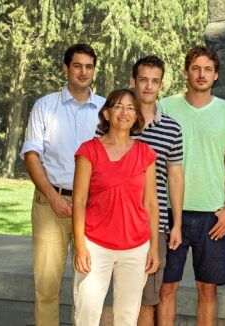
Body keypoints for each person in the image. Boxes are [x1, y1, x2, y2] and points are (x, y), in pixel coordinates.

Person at [20, 43, 105, 326]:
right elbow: (31, 156)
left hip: (93, 208)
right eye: (77, 66)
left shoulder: (106, 109)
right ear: (66, 68)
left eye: (89, 66)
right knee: (47, 286)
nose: (83, 72)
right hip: (50, 204)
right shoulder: (45, 106)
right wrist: (53, 198)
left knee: (89, 289)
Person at [157, 45, 225, 326]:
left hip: (212, 215)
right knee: (166, 288)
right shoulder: (165, 107)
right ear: (185, 72)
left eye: (207, 69)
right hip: (171, 212)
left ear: (216, 75)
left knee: (208, 290)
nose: (201, 74)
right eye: (196, 68)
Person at [72, 89, 159, 325]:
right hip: (95, 245)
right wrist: (80, 246)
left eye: (131, 108)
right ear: (107, 113)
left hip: (136, 247)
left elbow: (151, 203)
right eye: (119, 106)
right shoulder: (88, 151)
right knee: (87, 313)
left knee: (127, 316)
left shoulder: (146, 154)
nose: (124, 112)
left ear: (137, 117)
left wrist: (153, 247)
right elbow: (79, 201)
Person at [128, 56, 184, 326]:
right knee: (117, 298)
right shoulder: (117, 121)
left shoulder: (172, 128)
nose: (149, 86)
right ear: (133, 82)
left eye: (155, 81)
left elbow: (175, 177)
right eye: (143, 80)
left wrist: (177, 225)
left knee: (148, 300)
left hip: (154, 225)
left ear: (160, 85)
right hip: (116, 224)